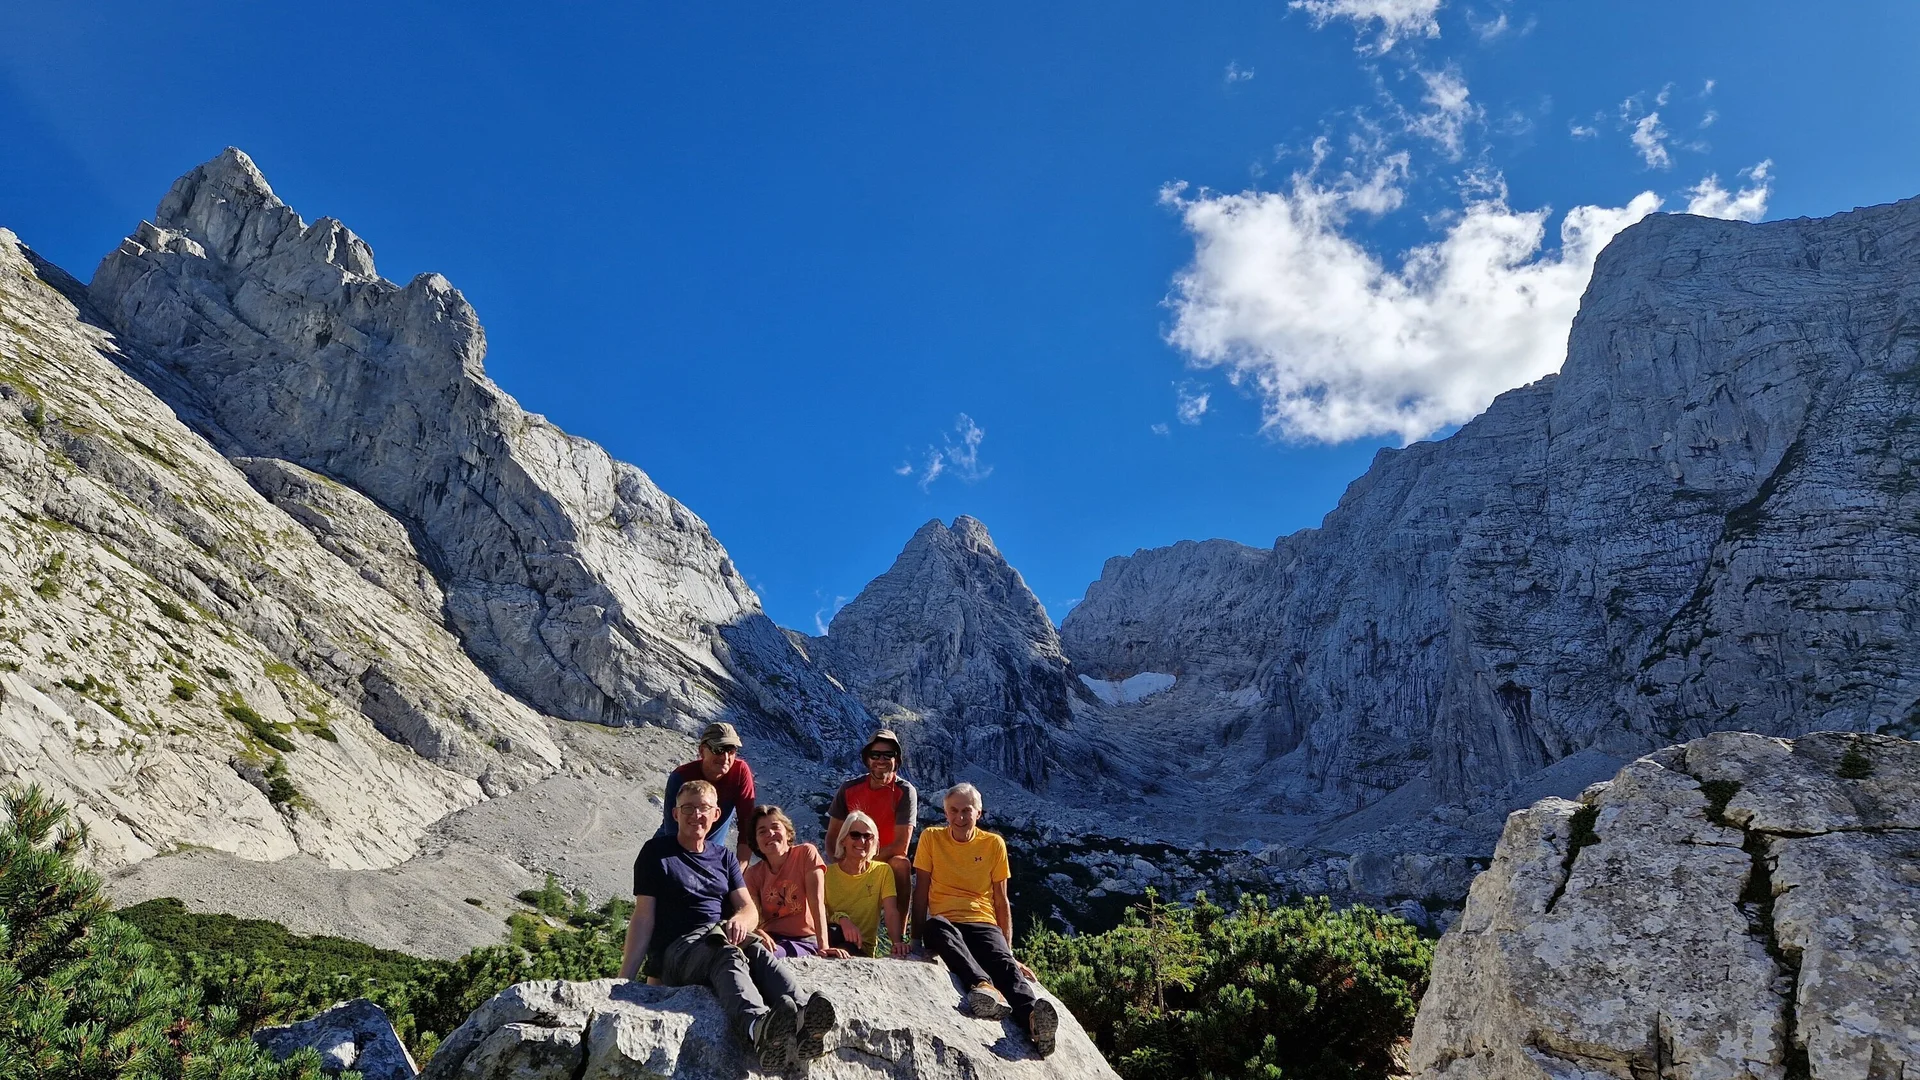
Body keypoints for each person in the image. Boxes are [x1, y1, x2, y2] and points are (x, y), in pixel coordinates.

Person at [620, 779, 836, 1068]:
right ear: (675, 814)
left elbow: (748, 909)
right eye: (688, 808)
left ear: (716, 815)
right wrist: (624, 981)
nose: (696, 815)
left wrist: (739, 921)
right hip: (678, 950)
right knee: (727, 953)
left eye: (704, 808)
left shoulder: (723, 858)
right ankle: (757, 1027)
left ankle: (804, 1017)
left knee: (756, 949)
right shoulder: (656, 853)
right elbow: (643, 916)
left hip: (716, 934)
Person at [911, 782, 1058, 1057]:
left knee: (1004, 966)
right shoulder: (931, 838)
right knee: (937, 927)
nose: (959, 817)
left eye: (966, 810)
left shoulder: (993, 844)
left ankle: (1034, 1022)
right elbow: (920, 891)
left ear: (979, 812)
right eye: (953, 810)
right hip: (945, 921)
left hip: (982, 921)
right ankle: (983, 987)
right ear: (945, 812)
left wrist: (1009, 951)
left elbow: (1001, 900)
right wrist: (914, 941)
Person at [825, 728, 917, 908]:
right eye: (875, 755)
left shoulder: (905, 791)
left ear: (896, 760)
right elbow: (832, 836)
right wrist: (840, 863)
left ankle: (898, 933)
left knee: (901, 864)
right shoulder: (849, 788)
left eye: (887, 755)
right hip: (850, 856)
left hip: (884, 860)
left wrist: (865, 862)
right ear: (867, 759)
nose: (880, 760)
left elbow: (901, 845)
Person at [743, 805, 839, 958]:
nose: (770, 833)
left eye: (775, 827)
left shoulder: (806, 854)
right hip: (770, 939)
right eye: (762, 831)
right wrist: (756, 932)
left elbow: (817, 901)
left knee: (764, 956)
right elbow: (751, 914)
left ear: (787, 833)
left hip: (803, 940)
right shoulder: (753, 874)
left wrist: (824, 947)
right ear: (756, 842)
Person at [655, 721, 757, 864]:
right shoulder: (681, 777)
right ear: (702, 751)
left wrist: (740, 871)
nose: (725, 757)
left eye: (731, 750)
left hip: (710, 856)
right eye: (718, 749)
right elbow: (673, 830)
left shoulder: (740, 772)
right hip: (669, 851)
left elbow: (747, 825)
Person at [824, 809, 906, 958]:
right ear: (843, 840)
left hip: (862, 947)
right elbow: (818, 915)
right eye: (855, 835)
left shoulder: (882, 871)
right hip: (831, 938)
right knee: (834, 931)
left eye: (867, 836)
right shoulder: (826, 874)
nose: (861, 841)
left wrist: (897, 943)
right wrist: (842, 920)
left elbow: (891, 911)